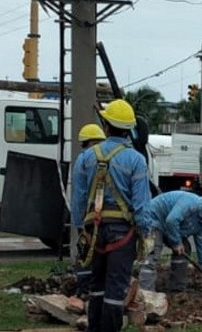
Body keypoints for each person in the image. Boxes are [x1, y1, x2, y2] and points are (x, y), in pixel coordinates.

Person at [70, 99, 152, 332]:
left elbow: (78, 199)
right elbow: (141, 204)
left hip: (93, 232)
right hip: (122, 234)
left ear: (106, 127)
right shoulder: (136, 160)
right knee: (115, 291)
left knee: (97, 287)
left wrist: (81, 229)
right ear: (129, 130)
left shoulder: (86, 157)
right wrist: (145, 233)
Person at [138, 192, 202, 292]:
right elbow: (171, 220)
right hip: (153, 220)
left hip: (168, 228)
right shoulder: (191, 204)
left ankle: (176, 288)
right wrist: (176, 243)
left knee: (185, 247)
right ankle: (146, 291)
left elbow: (201, 246)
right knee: (154, 251)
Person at [72, 123, 107, 299]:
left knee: (86, 253)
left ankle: (84, 291)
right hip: (108, 217)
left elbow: (79, 194)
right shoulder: (108, 158)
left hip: (89, 216)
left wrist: (79, 223)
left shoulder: (82, 160)